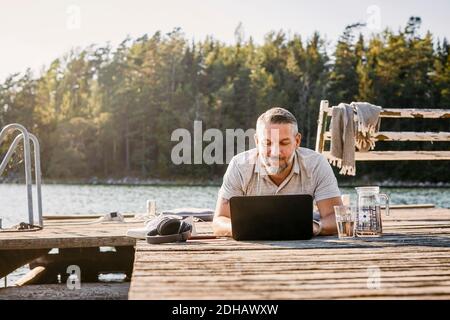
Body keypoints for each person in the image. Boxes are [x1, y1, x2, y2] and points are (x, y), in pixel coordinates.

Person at [213, 107, 342, 237]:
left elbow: (336, 217)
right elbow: (219, 221)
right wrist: (249, 228)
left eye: (283, 143)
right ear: (257, 142)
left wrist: (313, 227)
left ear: (297, 141)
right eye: (267, 143)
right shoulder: (239, 165)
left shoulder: (316, 164)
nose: (275, 152)